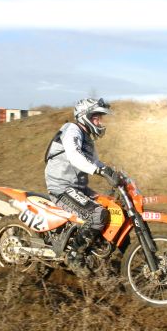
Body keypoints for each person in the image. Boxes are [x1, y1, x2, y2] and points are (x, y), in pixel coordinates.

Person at [44, 98, 119, 276]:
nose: (99, 122)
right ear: (85, 116)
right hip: (62, 188)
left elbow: (94, 162)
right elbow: (75, 156)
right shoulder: (72, 130)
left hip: (77, 188)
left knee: (111, 206)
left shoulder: (86, 138)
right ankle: (74, 255)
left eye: (100, 118)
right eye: (96, 117)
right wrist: (99, 171)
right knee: (97, 214)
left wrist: (113, 173)